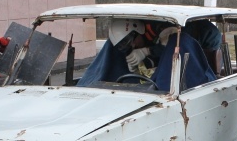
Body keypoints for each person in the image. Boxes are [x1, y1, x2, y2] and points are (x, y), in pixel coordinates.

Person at [78, 19, 216, 91]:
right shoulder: (139, 38)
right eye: (125, 46)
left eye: (131, 42)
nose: (132, 47)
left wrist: (147, 52)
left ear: (138, 30)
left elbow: (172, 46)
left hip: (203, 44)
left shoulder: (166, 30)